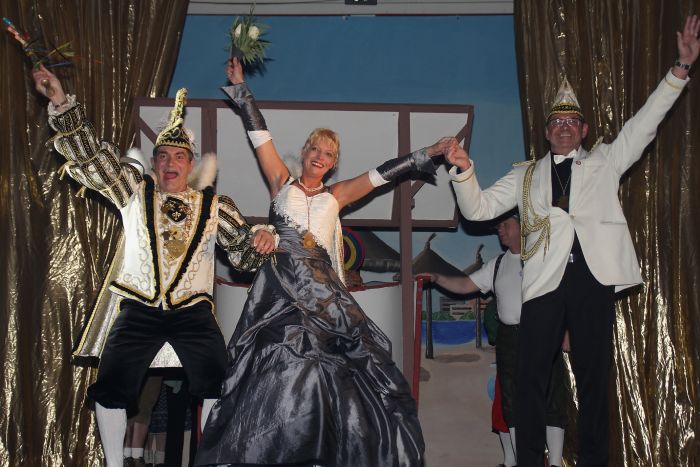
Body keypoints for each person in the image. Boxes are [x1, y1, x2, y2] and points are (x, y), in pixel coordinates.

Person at [442, 15, 700, 467]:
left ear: (583, 131)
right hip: (543, 283)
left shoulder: (605, 161)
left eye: (572, 122)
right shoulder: (525, 175)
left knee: (594, 378)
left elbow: (644, 124)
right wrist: (464, 171)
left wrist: (679, 70)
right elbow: (478, 210)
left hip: (592, 280)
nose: (564, 127)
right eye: (556, 121)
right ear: (546, 132)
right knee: (530, 379)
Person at [193, 58, 453, 467]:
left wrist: (429, 153)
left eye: (328, 153)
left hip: (324, 293)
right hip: (281, 287)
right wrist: (241, 90)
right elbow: (259, 135)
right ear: (305, 152)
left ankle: (326, 447)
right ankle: (264, 445)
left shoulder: (338, 195)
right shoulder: (281, 182)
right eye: (315, 148)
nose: (320, 156)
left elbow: (383, 174)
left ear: (333, 163)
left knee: (336, 366)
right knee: (280, 357)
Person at [31, 65, 277, 467]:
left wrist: (262, 240)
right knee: (110, 383)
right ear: (154, 163)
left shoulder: (215, 206)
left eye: (178, 156)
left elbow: (244, 258)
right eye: (162, 156)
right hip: (139, 308)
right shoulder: (133, 191)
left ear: (190, 163)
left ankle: (209, 459)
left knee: (219, 378)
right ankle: (115, 464)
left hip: (192, 312)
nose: (169, 163)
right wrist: (60, 101)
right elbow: (93, 159)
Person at [423, 214, 568, 467]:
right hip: (509, 337)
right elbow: (465, 285)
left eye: (505, 224)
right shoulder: (497, 264)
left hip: (542, 334)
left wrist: (565, 331)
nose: (500, 230)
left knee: (551, 397)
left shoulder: (543, 257)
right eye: (499, 225)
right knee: (511, 401)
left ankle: (555, 463)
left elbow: (563, 297)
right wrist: (437, 278)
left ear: (522, 226)